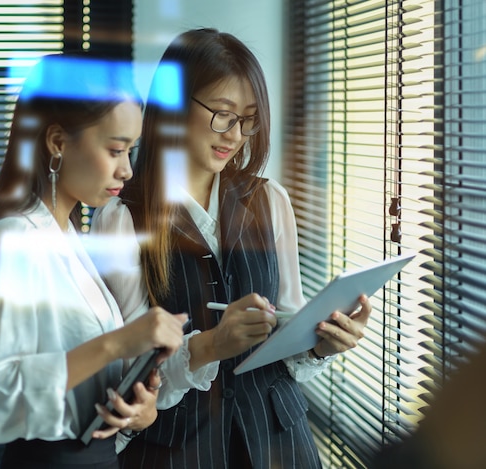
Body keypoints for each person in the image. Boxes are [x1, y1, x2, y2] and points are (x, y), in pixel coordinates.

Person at [91, 28, 372, 468]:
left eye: (248, 119)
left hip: (279, 444)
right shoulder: (123, 217)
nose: (235, 134)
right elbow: (127, 372)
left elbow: (288, 322)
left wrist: (321, 344)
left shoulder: (270, 200)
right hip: (177, 452)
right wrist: (209, 346)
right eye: (222, 114)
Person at [0, 53, 188, 469]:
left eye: (131, 151)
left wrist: (139, 406)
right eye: (116, 150)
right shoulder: (13, 244)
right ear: (58, 142)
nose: (128, 171)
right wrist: (117, 343)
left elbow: (81, 380)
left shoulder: (69, 240)